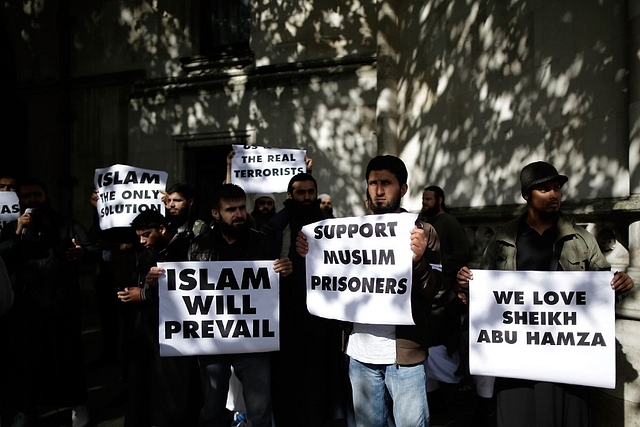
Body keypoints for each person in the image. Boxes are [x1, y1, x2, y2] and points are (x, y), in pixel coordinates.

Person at [456, 160, 634, 427]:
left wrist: (619, 285)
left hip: (569, 361)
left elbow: (602, 289)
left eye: (557, 188)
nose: (554, 195)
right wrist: (468, 286)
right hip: (516, 362)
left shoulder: (581, 240)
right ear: (527, 195)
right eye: (545, 189)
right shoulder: (504, 239)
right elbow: (487, 296)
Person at [298, 155, 442, 427]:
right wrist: (310, 252)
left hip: (405, 356)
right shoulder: (346, 232)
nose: (378, 190)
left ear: (403, 188)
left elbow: (432, 290)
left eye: (386, 183)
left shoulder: (423, 231)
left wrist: (419, 260)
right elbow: (331, 275)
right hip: (360, 353)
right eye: (372, 183)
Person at [187, 183, 292, 427]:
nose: (238, 214)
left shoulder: (263, 243)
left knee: (259, 412)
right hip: (213, 341)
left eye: (242, 208)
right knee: (212, 408)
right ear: (216, 214)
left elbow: (275, 290)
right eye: (230, 209)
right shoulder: (198, 247)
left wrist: (285, 272)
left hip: (253, 342)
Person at [0, 178, 100, 427]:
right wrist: (17, 231)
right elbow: (3, 255)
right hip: (25, 307)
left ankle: (78, 405)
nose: (33, 200)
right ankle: (25, 410)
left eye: (38, 195)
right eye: (27, 196)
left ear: (46, 196)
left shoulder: (65, 224)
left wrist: (82, 253)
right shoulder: (10, 227)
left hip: (63, 304)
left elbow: (94, 250)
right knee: (27, 362)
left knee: (69, 358)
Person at [267, 172, 346, 426]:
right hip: (287, 313)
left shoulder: (328, 223)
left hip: (321, 316)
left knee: (321, 373)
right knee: (290, 373)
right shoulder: (276, 225)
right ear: (290, 195)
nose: (307, 197)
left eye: (311, 192)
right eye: (301, 192)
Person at [117, 210, 202, 427]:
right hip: (148, 329)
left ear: (162, 229)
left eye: (146, 234)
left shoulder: (185, 248)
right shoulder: (150, 251)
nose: (142, 241)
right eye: (139, 236)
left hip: (175, 331)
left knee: (171, 386)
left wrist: (144, 294)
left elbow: (187, 287)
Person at [419, 185, 472, 419]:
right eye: (423, 199)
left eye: (429, 199)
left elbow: (462, 251)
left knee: (442, 348)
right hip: (428, 297)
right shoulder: (422, 223)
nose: (425, 202)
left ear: (439, 199)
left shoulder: (448, 222)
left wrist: (438, 263)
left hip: (445, 298)